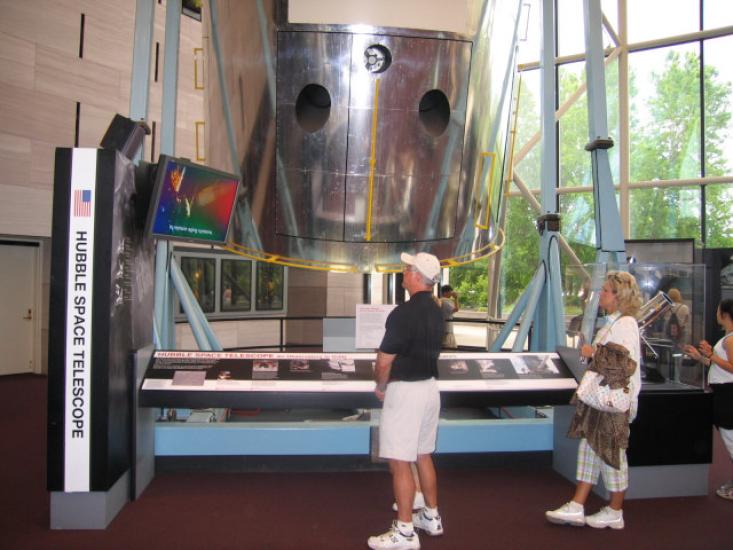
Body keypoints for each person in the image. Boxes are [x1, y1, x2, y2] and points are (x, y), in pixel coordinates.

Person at [546, 271, 642, 530]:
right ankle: (578, 505)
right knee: (590, 449)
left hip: (613, 403)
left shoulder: (625, 324)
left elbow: (623, 365)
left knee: (612, 454)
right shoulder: (614, 323)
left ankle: (615, 509)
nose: (601, 294)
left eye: (607, 291)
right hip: (603, 402)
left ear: (619, 296)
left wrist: (593, 353)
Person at [368, 252, 444, 550]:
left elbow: (384, 361)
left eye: (407, 268)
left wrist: (381, 385)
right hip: (429, 390)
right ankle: (432, 517)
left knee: (400, 462)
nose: (403, 270)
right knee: (423, 455)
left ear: (416, 276)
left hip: (406, 392)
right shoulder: (438, 310)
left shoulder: (402, 313)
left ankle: (405, 533)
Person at [683, 299, 733, 500]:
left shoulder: (730, 340)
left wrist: (712, 355)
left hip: (728, 394)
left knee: (731, 439)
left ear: (725, 314)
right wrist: (701, 357)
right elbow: (719, 366)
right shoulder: (727, 338)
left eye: (718, 310)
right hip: (722, 393)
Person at [439, 285, 459, 349]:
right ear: (445, 293)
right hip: (447, 329)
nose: (451, 293)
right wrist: (456, 298)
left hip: (443, 327)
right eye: (450, 292)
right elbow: (456, 309)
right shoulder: (445, 301)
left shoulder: (441, 300)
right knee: (449, 348)